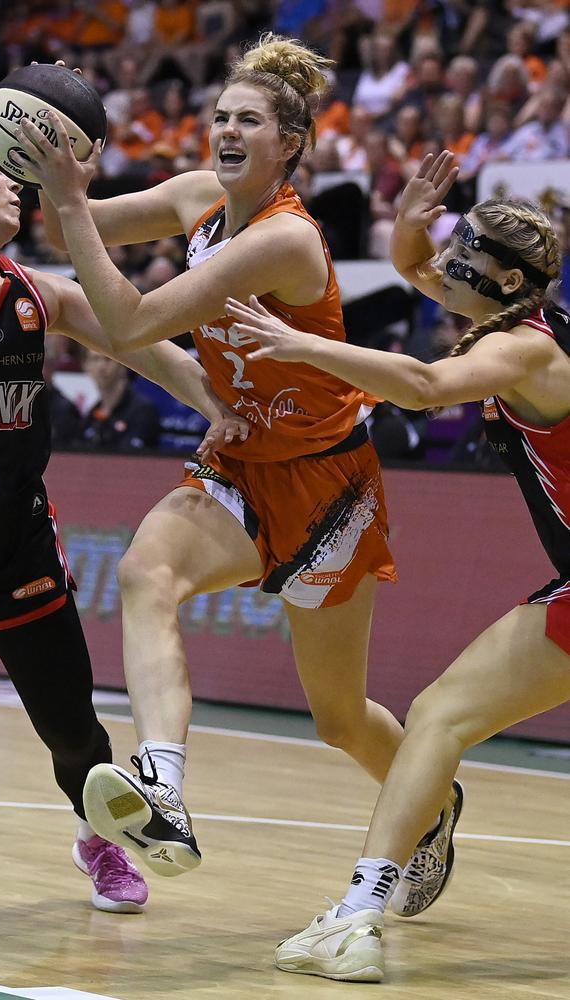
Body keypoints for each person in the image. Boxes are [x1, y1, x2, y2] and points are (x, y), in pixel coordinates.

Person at [12, 35, 458, 901]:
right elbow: (75, 221)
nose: (224, 128)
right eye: (218, 114)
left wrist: (68, 209)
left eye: (246, 119)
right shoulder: (198, 200)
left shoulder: (284, 239)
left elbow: (134, 321)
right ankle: (164, 789)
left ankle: (432, 803)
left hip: (329, 487)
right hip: (242, 465)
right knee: (147, 573)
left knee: (338, 718)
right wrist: (45, 158)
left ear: (287, 142)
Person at [223, 150, 570, 981]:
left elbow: (417, 382)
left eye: (466, 253)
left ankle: (356, 916)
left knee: (439, 715)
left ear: (511, 281)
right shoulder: (510, 323)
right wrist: (414, 223)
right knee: (439, 714)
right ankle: (359, 911)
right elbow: (419, 272)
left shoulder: (525, 352)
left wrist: (298, 344)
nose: (446, 266)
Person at [0, 131, 244, 910]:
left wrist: (216, 406)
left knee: (72, 728)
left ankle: (97, 835)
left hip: (18, 530)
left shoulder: (37, 295)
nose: (16, 183)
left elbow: (141, 344)